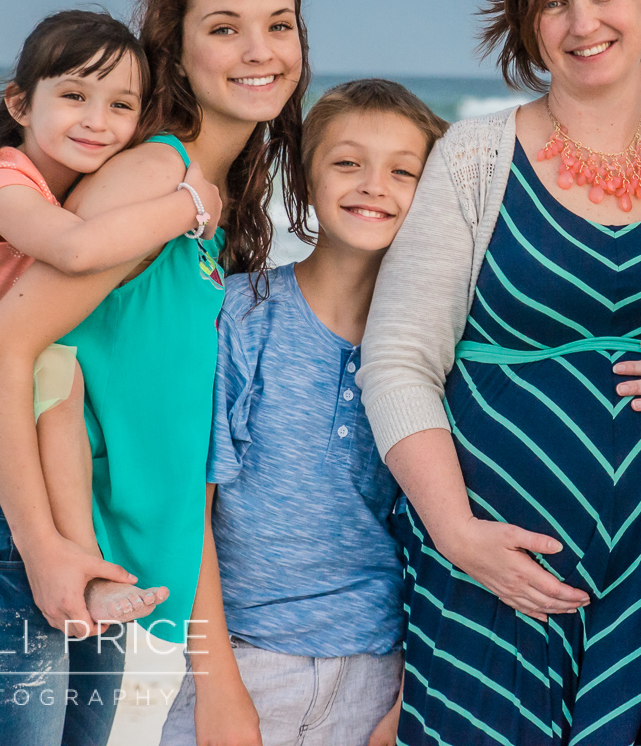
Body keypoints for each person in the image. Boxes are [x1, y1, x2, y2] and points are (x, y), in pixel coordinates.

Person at [358, 0, 641, 746]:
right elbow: (395, 361)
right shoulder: (474, 156)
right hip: (495, 570)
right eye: (553, 1)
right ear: (528, 26)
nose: (584, 20)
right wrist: (457, 532)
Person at [0, 0, 311, 746]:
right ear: (176, 53)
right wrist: (44, 551)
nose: (260, 49)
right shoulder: (158, 177)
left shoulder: (209, 198)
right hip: (12, 536)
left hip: (77, 546)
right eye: (224, 27)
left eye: (281, 24)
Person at [0, 10, 227, 746]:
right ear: (20, 103)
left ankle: (74, 548)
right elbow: (75, 248)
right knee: (55, 362)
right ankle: (62, 549)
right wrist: (187, 201)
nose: (98, 121)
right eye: (74, 96)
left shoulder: (59, 185)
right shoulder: (3, 183)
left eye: (121, 105)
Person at [160, 79, 448, 746]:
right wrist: (218, 685)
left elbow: (436, 541)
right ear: (305, 176)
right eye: (348, 162)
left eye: (403, 171)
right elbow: (188, 516)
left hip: (380, 675)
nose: (374, 184)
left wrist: (411, 698)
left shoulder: (435, 350)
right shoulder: (241, 316)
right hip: (247, 662)